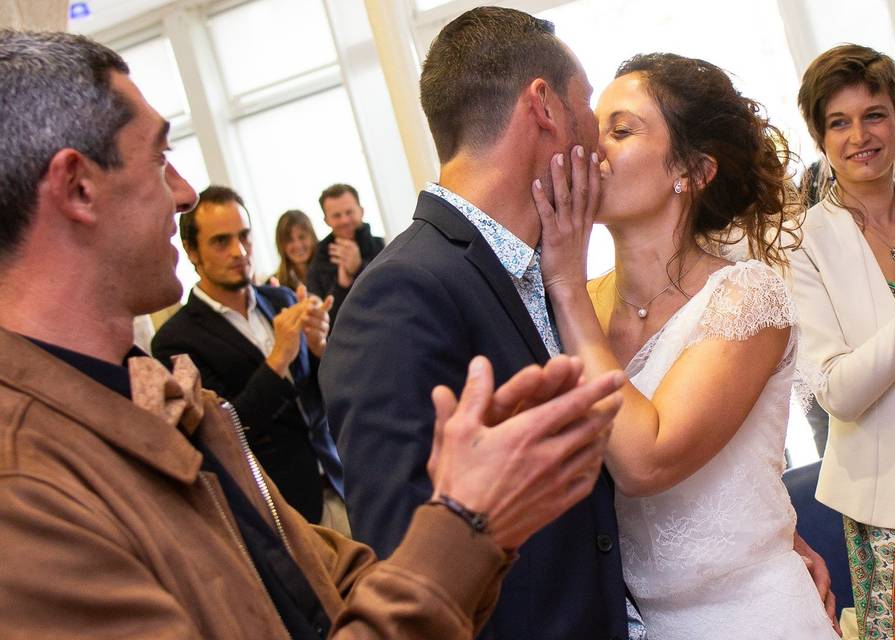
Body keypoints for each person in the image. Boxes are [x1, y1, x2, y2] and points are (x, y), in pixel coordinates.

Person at [0, 28, 627, 639]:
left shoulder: (163, 403)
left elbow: (334, 590)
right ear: (78, 186)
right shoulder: (23, 487)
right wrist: (467, 521)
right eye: (160, 157)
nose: (186, 193)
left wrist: (484, 514)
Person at [322, 7, 630, 639]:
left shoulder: (545, 264)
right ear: (543, 106)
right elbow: (411, 567)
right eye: (589, 103)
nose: (597, 133)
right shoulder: (402, 293)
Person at [530, 52, 839, 639]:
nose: (594, 149)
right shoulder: (582, 305)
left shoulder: (747, 296)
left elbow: (648, 459)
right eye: (594, 130)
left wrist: (563, 284)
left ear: (693, 171)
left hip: (757, 618)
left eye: (621, 131)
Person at [792, 43, 895, 638]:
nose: (860, 135)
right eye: (839, 121)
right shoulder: (804, 242)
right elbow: (837, 390)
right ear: (819, 135)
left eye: (875, 115)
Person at [152, 186, 345, 528]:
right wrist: (278, 358)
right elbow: (221, 433)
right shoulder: (174, 341)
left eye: (244, 237)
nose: (239, 251)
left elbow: (319, 399)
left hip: (338, 479)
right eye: (221, 241)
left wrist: (320, 351)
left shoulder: (282, 299)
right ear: (192, 251)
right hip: (277, 508)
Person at [305, 183, 384, 327]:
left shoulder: (383, 247)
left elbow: (392, 294)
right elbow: (325, 324)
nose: (344, 220)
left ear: (361, 211)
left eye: (349, 212)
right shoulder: (317, 263)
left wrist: (359, 268)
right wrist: (342, 285)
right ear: (326, 220)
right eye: (336, 215)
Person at [273, 208, 319, 290]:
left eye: (302, 237)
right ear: (281, 245)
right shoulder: (276, 285)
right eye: (289, 240)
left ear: (312, 237)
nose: (298, 245)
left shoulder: (331, 269)